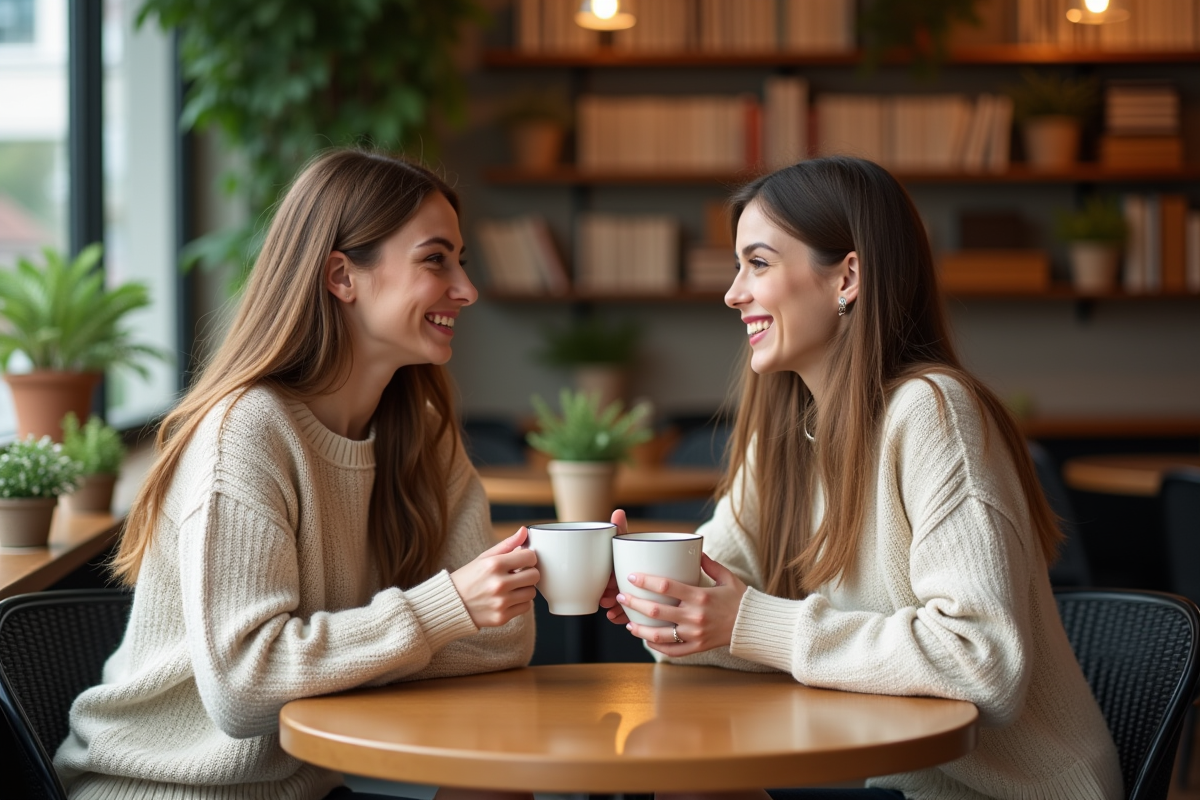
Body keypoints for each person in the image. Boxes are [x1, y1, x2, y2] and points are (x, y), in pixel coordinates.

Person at [600, 156, 1123, 800]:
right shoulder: (785, 437)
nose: (733, 293)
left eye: (758, 264)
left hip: (1003, 793)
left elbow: (981, 661)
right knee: (690, 778)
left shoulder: (933, 414)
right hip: (893, 782)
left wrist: (751, 624)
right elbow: (717, 617)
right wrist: (657, 597)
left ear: (847, 277)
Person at [54, 149, 540, 800]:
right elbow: (244, 689)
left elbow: (501, 638)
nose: (467, 290)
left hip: (302, 789)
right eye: (435, 260)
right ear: (342, 276)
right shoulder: (245, 434)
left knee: (496, 784)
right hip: (167, 789)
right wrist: (439, 613)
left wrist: (350, 651)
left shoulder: (422, 432)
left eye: (462, 261)